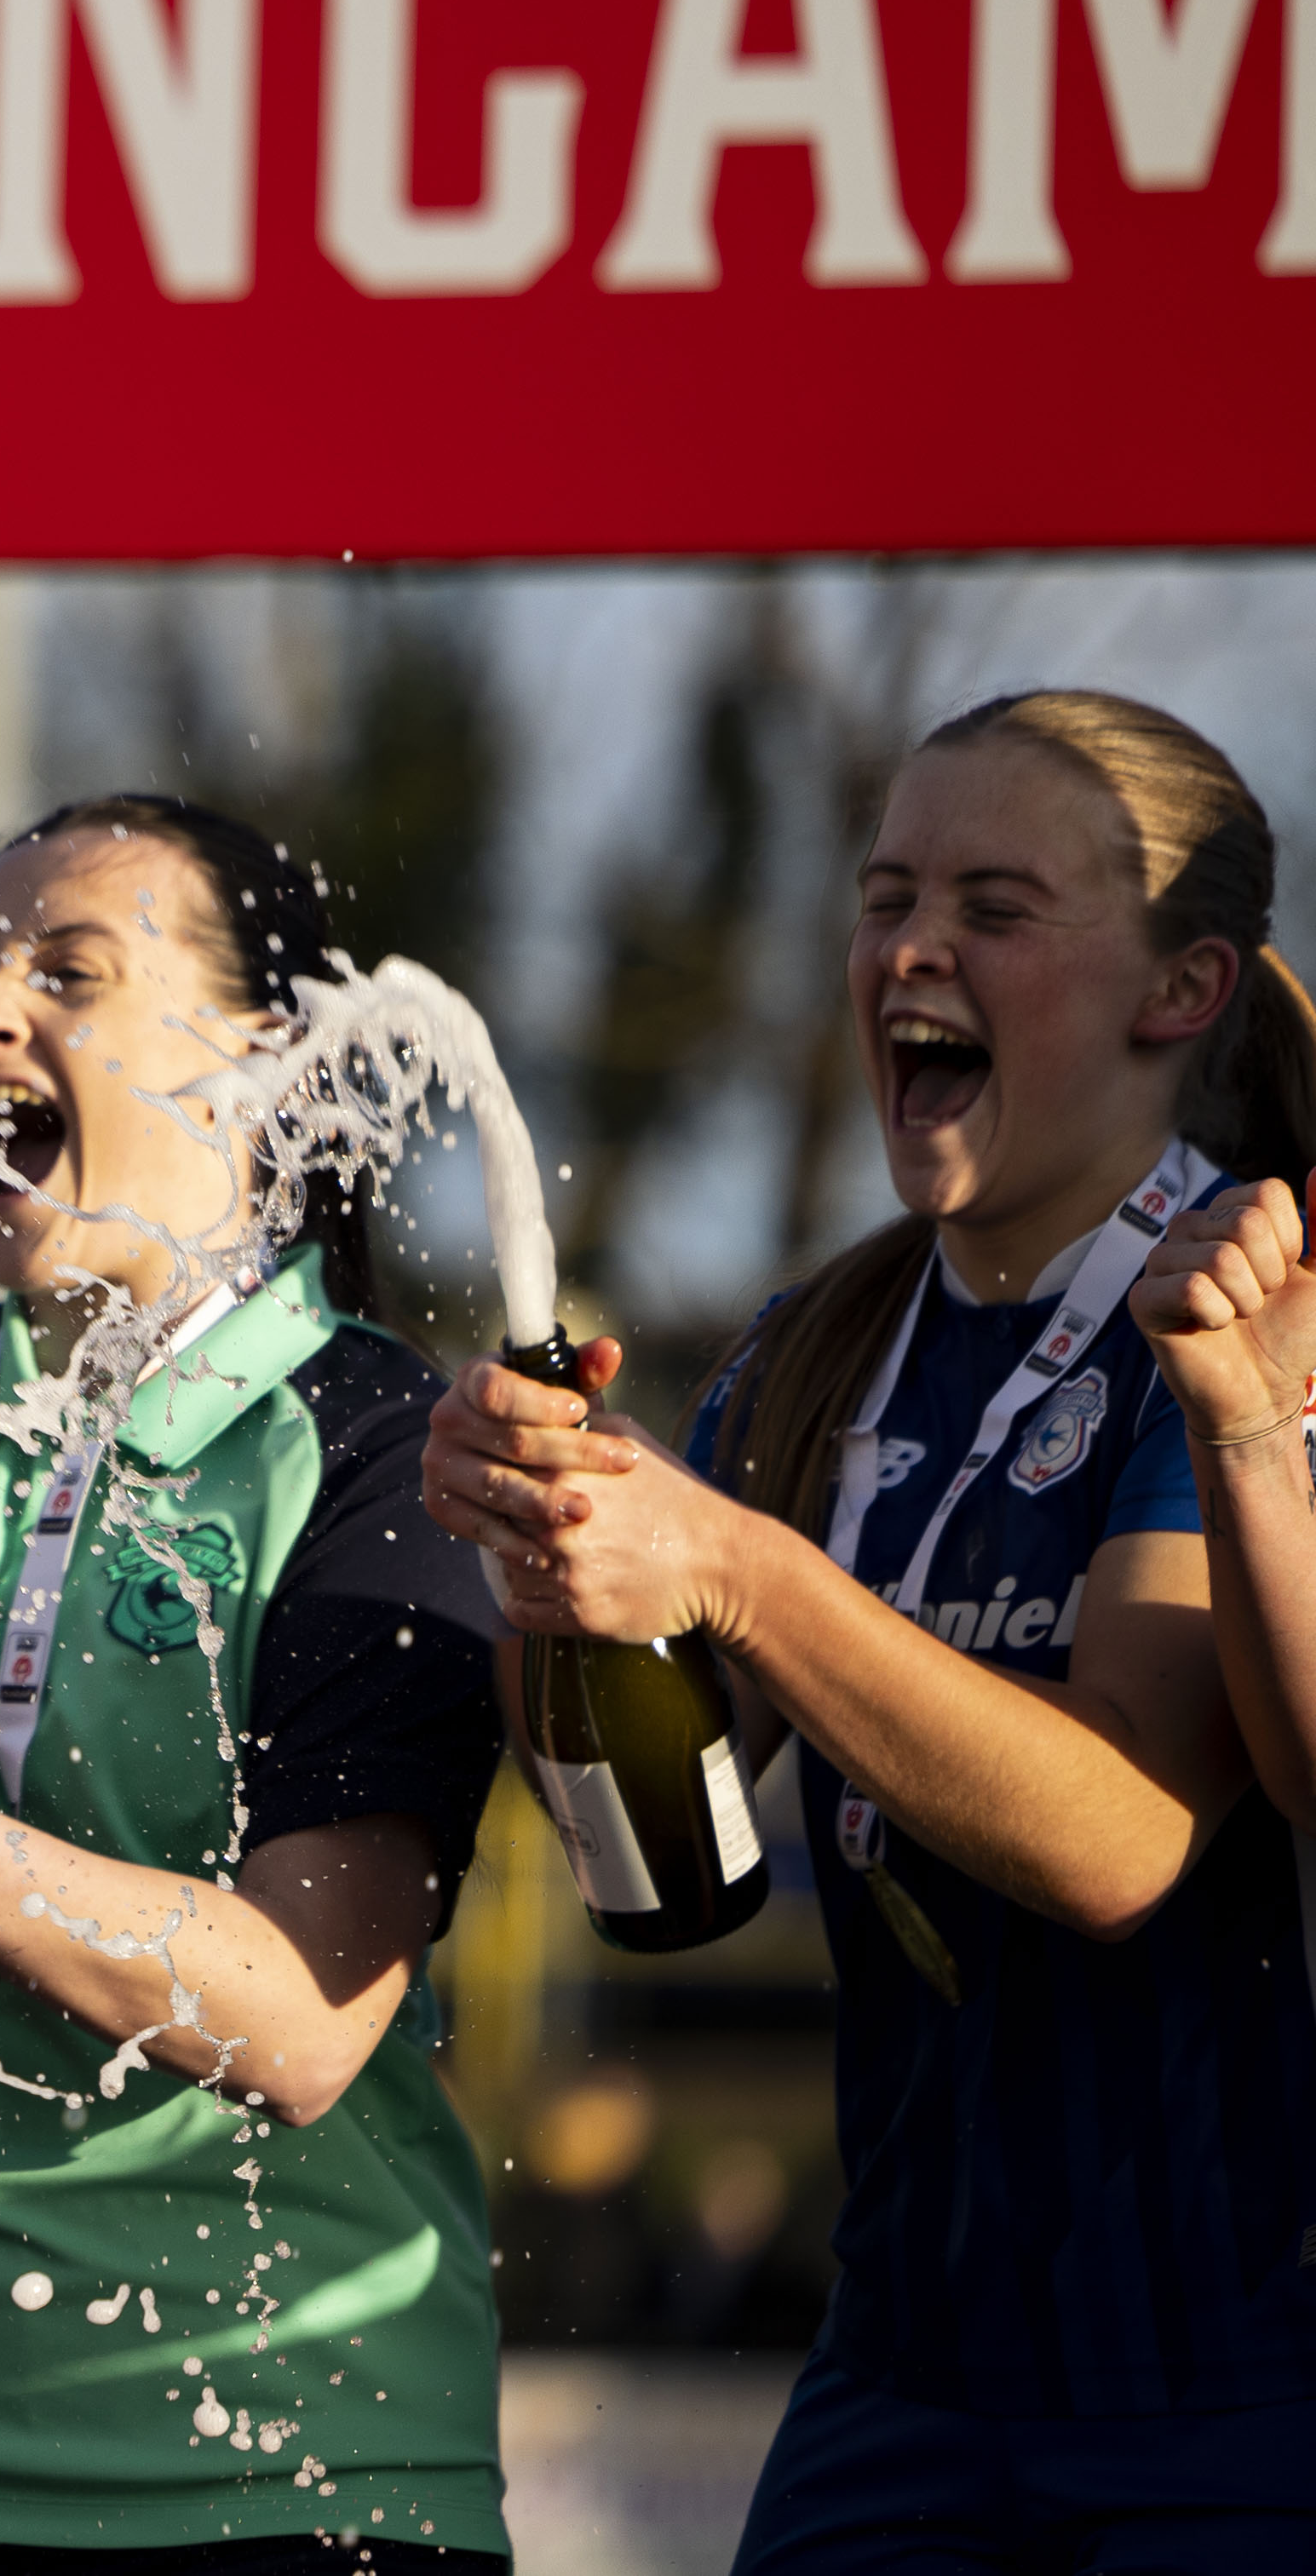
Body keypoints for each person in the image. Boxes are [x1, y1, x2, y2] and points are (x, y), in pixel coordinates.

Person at [426, 690, 1316, 2571]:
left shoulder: (1246, 1317)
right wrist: (558, 1570)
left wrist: (736, 1566)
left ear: (1182, 990)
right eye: (882, 894)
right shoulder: (823, 1340)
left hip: (1229, 2396)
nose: (908, 947)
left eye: (994, 905)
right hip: (897, 2375)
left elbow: (1124, 1837)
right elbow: (652, 1869)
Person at [0, 795, 510, 2573]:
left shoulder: (379, 1441)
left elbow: (290, 2015)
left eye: (67, 973)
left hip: (280, 2470)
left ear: (264, 1067)